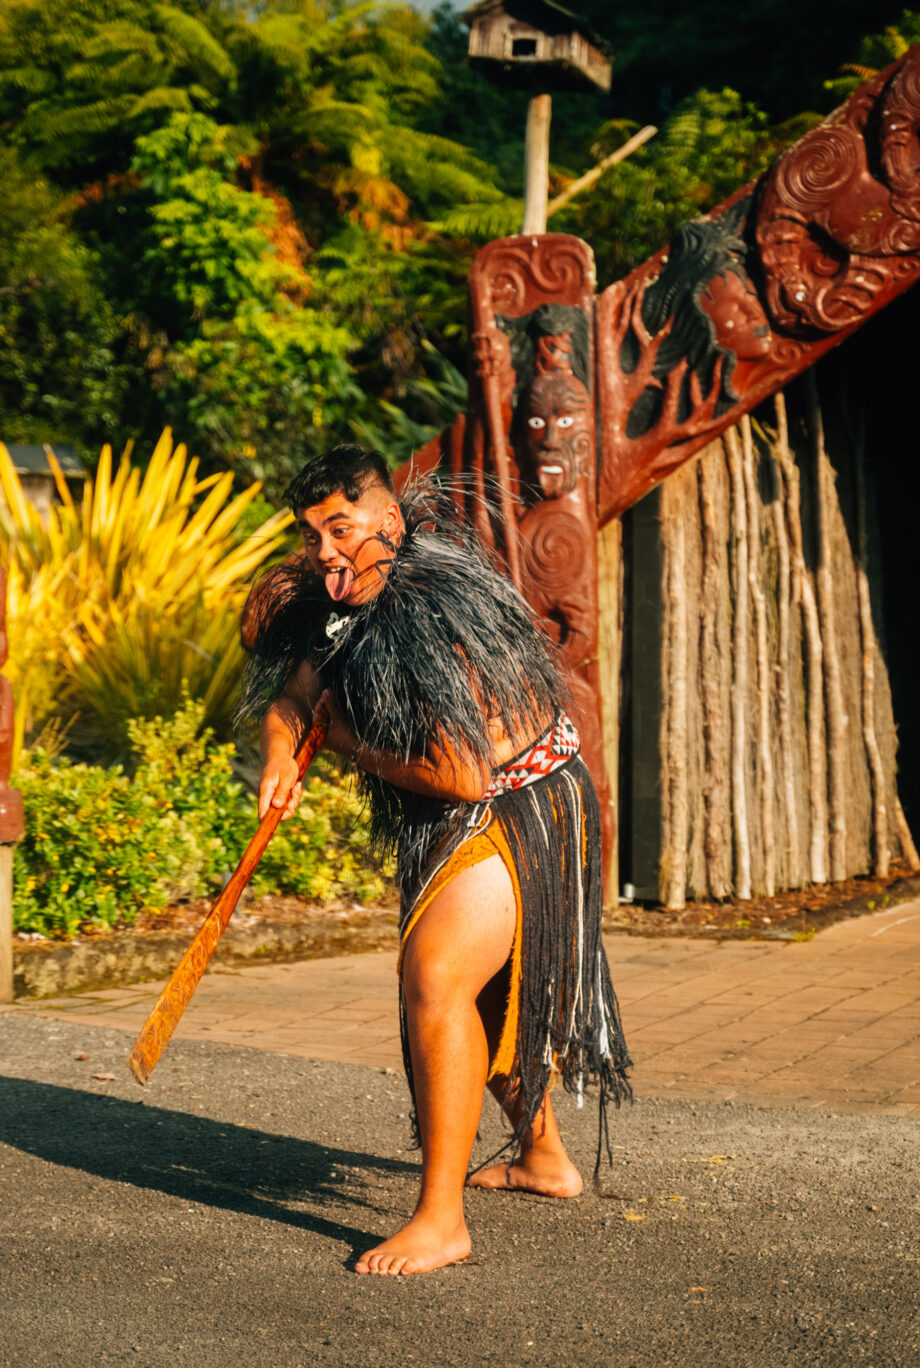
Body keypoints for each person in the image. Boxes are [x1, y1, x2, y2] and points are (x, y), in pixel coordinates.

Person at [242, 444, 632, 1277]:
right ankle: (543, 1159)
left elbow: (461, 775)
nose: (325, 552)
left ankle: (441, 1220)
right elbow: (297, 694)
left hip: (519, 804)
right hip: (473, 807)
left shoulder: (426, 609)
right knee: (478, 994)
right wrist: (282, 748)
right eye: (311, 535)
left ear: (388, 518)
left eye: (341, 528)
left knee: (438, 978)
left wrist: (344, 744)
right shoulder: (342, 601)